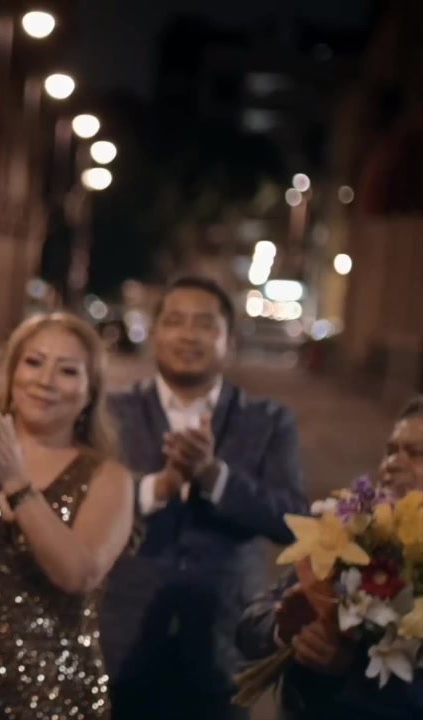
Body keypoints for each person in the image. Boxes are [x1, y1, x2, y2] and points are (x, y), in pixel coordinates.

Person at [100, 276, 308, 720]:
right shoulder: (110, 412)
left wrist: (215, 477)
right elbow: (87, 503)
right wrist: (157, 487)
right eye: (175, 321)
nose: (188, 335)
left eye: (205, 324)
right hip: (122, 637)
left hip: (223, 643)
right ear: (154, 333)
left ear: (229, 341)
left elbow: (294, 521)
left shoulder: (268, 420)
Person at [0, 313, 134, 720]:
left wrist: (18, 485)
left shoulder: (108, 477)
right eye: (34, 362)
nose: (45, 381)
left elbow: (79, 574)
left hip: (57, 691)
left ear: (90, 391)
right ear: (12, 373)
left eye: (67, 370)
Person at [237, 396, 423, 720]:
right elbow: (251, 624)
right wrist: (285, 630)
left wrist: (348, 669)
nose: (393, 463)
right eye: (390, 450)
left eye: (417, 453)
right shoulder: (350, 534)